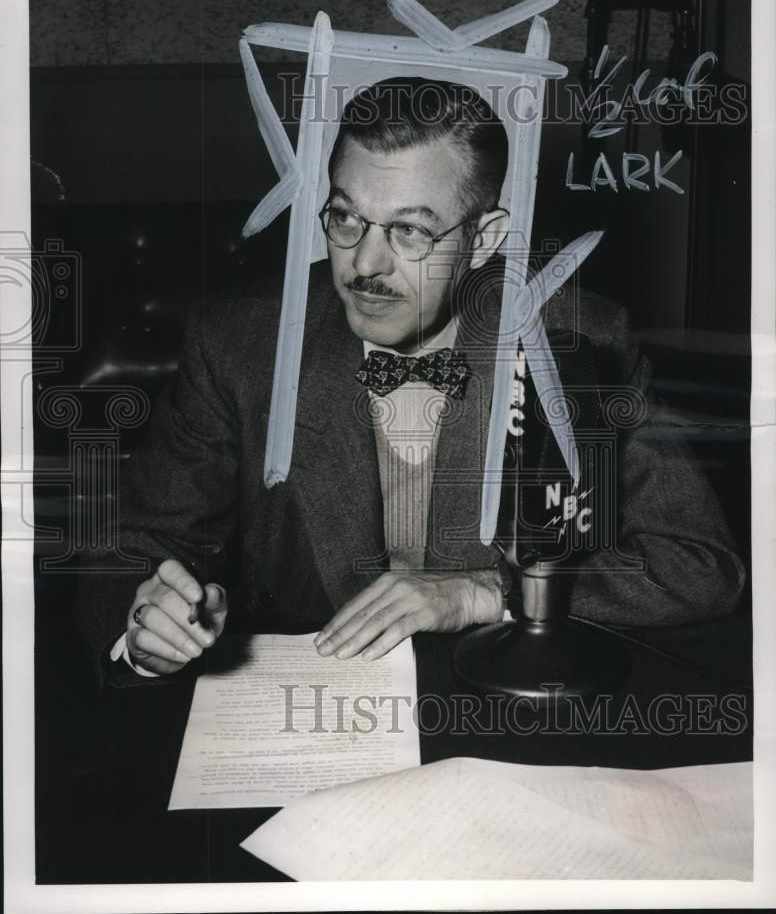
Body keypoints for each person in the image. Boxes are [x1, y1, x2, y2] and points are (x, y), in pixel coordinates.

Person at [75, 77, 745, 682]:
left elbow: (699, 567)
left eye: (410, 232)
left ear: (483, 240)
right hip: (301, 723)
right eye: (345, 218)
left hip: (505, 718)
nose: (364, 263)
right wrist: (149, 625)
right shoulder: (241, 343)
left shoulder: (578, 343)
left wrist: (484, 591)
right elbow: (131, 555)